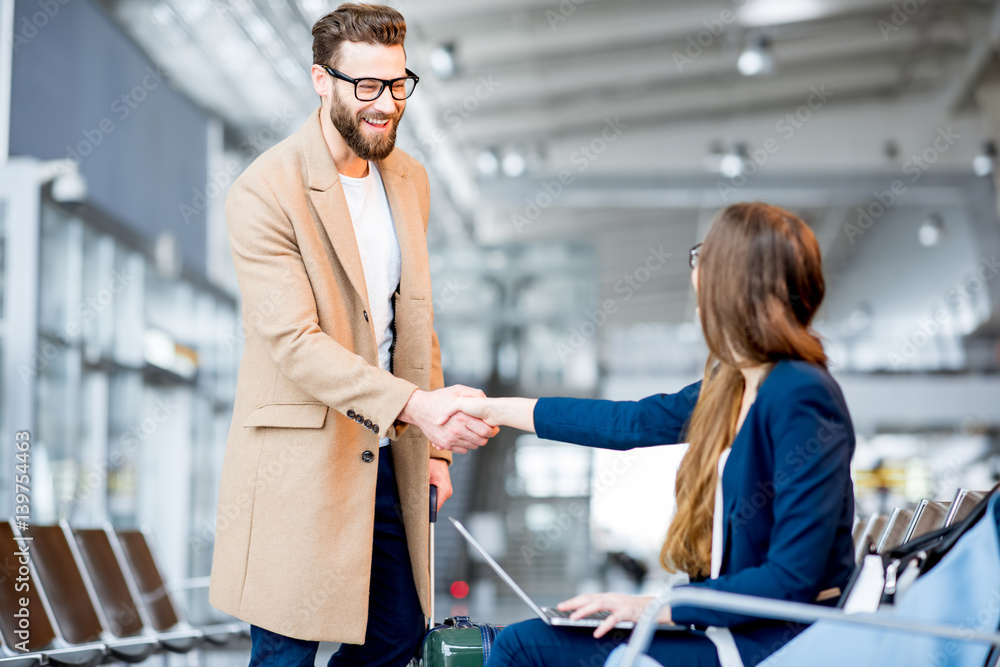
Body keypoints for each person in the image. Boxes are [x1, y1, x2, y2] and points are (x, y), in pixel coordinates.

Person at [208, 5, 496, 666]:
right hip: (302, 462)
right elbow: (296, 344)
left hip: (393, 453)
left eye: (397, 84)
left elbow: (417, 321)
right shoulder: (265, 192)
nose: (386, 104)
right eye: (366, 86)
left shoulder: (410, 179)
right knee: (287, 653)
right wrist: (415, 405)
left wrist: (436, 449)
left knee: (398, 637)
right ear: (321, 80)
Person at [452, 202, 857, 667]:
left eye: (703, 256)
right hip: (734, 629)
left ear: (733, 277)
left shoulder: (800, 393)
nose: (695, 271)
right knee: (540, 638)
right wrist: (492, 409)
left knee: (523, 647)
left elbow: (791, 577)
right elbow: (631, 423)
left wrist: (657, 607)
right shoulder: (734, 384)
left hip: (772, 644)